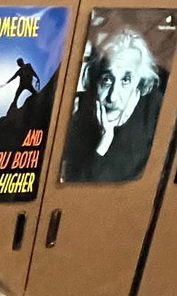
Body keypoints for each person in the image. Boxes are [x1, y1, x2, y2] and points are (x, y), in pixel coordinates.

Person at [61, 27, 164, 183]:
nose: (113, 96)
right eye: (107, 80)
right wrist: (104, 141)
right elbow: (77, 186)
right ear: (95, 78)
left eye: (126, 80)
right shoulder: (80, 115)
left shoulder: (157, 113)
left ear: (140, 82)